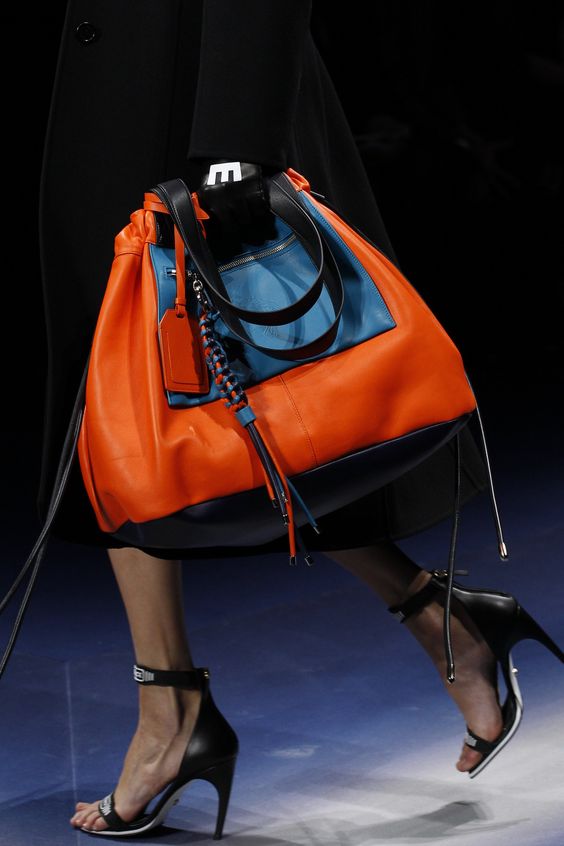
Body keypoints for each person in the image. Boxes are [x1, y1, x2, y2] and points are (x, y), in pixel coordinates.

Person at [34, 1, 562, 838]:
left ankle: (178, 716)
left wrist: (238, 128)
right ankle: (435, 621)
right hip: (94, 92)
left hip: (186, 93)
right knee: (135, 425)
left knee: (224, 412)